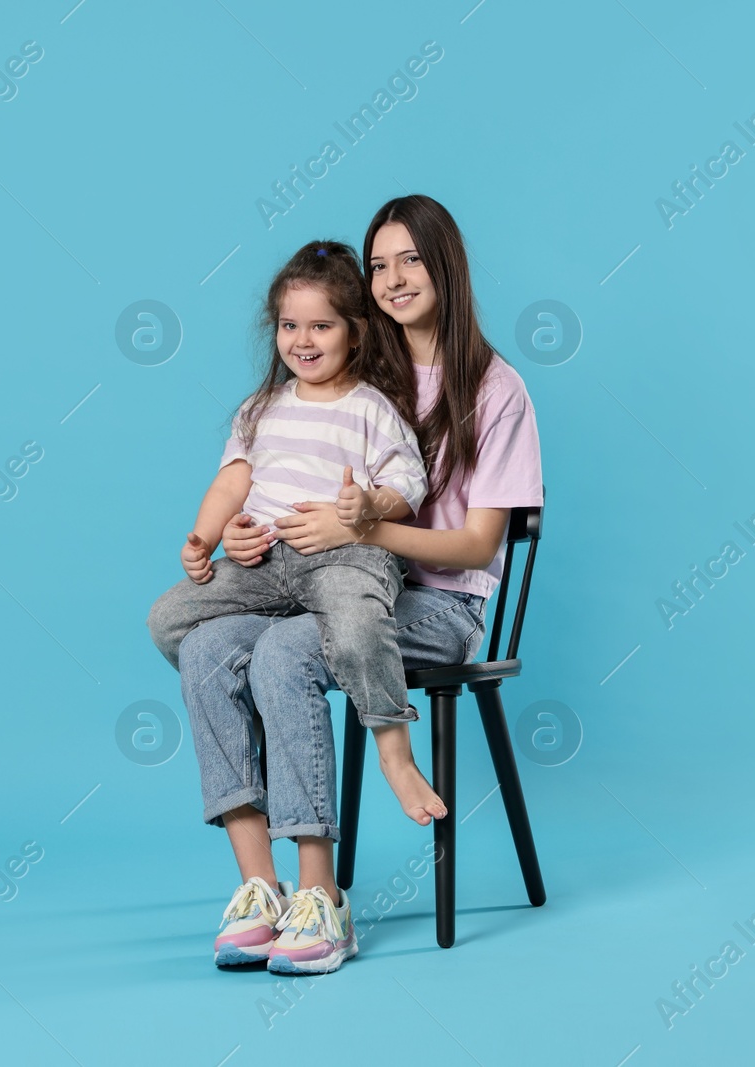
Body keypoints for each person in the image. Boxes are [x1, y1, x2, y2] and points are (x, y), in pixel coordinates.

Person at [171, 195, 543, 976]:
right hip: (317, 584)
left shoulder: (495, 388)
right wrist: (244, 530)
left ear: (448, 264)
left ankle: (323, 898)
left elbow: (478, 542)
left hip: (438, 602)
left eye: (411, 259)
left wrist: (361, 529)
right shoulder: (358, 367)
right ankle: (259, 888)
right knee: (205, 644)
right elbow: (270, 471)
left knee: (284, 652)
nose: (393, 277)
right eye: (379, 264)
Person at [147, 238, 435, 973]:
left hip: (344, 555)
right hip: (269, 564)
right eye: (289, 326)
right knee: (175, 622)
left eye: (321, 326)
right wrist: (212, 536)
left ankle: (394, 750)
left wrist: (368, 503)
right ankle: (261, 887)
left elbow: (410, 481)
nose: (302, 341)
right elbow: (232, 483)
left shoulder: (371, 409)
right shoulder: (260, 409)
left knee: (361, 616)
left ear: (355, 331)